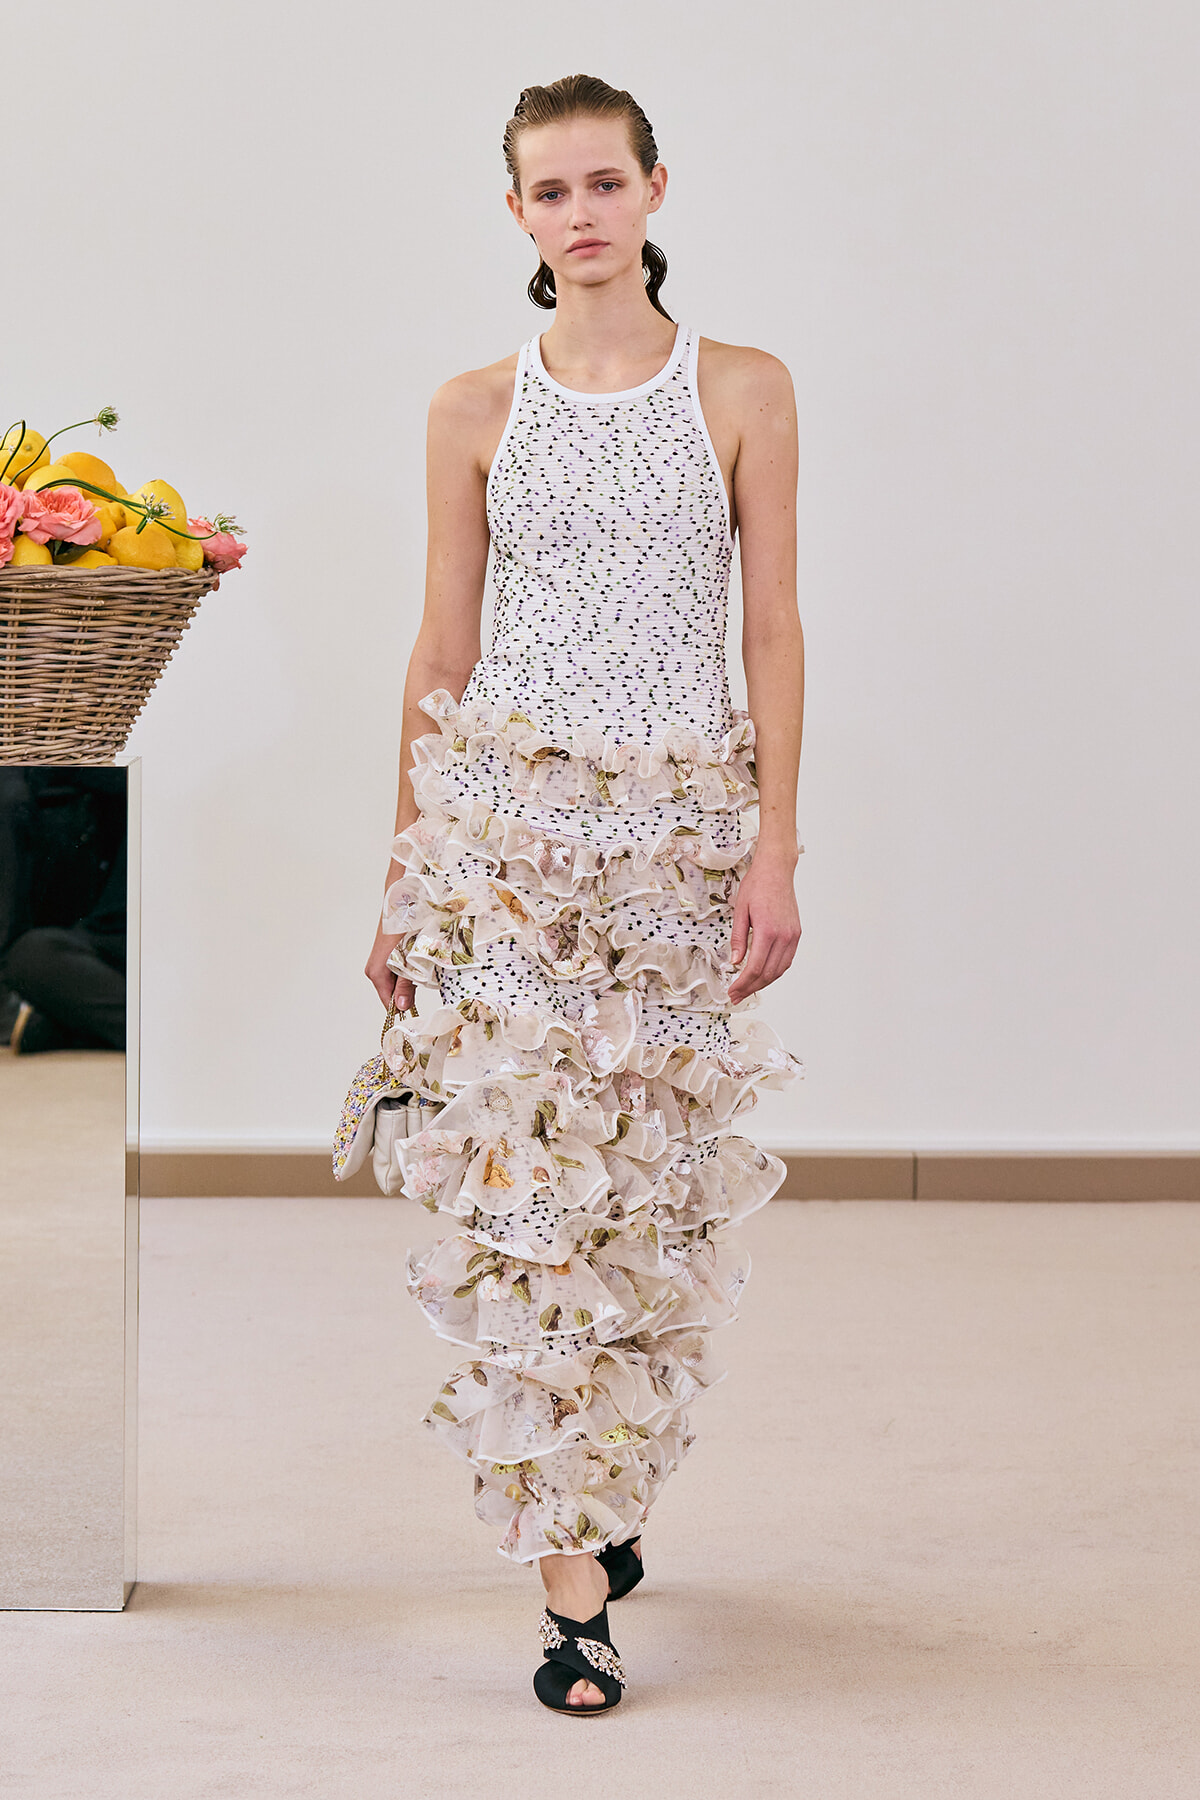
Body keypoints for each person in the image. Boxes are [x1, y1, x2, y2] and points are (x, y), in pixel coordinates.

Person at [363, 73, 804, 1715]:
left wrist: (775, 842)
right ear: (520, 219)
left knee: (647, 1201)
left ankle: (606, 1497)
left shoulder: (742, 388)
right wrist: (401, 877)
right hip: (506, 852)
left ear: (656, 191)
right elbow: (441, 647)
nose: (581, 213)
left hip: (676, 846)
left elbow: (772, 629)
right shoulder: (475, 407)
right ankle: (572, 1591)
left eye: (604, 182)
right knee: (522, 1191)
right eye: (550, 193)